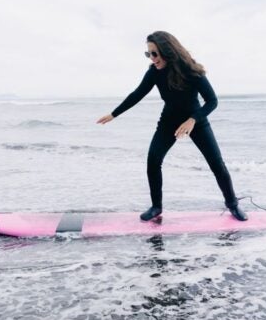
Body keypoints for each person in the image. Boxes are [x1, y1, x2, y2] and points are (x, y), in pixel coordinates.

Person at [96, 31, 246, 223]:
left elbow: (212, 101)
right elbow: (137, 94)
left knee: (217, 164)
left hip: (196, 121)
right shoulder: (154, 72)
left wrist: (192, 120)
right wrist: (114, 114)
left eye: (155, 54)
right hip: (168, 121)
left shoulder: (191, 71)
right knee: (153, 160)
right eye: (148, 54)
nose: (152, 58)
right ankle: (156, 207)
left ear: (167, 51)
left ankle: (232, 204)